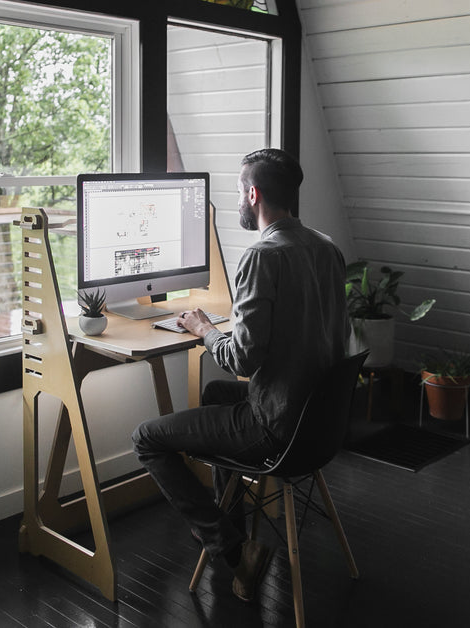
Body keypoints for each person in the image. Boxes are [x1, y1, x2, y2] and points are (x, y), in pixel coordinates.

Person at [131, 148, 350, 602]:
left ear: (253, 195)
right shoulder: (327, 248)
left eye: (237, 194)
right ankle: (225, 521)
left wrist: (204, 328)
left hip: (277, 430)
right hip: (320, 427)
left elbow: (242, 361)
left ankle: (232, 550)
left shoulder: (261, 257)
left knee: (146, 438)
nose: (237, 204)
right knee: (214, 392)